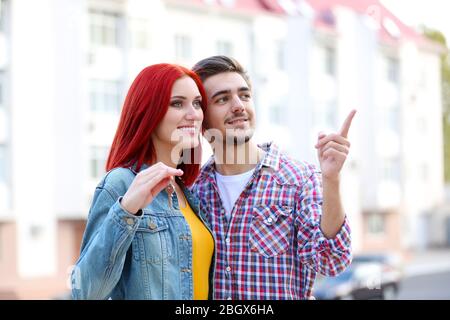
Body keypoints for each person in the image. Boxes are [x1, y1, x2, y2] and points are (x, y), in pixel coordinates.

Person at [191, 56, 354, 300]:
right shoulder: (193, 192)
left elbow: (331, 261)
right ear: (202, 120)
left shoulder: (300, 179)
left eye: (244, 96)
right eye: (223, 99)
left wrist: (331, 180)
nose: (238, 106)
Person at [71, 63, 215, 300]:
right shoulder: (120, 183)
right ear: (149, 111)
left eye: (197, 103)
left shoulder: (189, 192)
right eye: (177, 103)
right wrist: (126, 210)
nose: (194, 114)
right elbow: (85, 292)